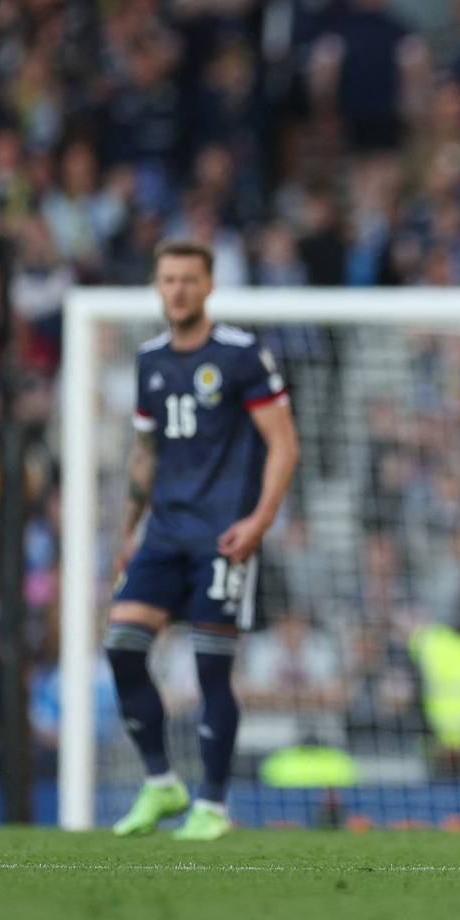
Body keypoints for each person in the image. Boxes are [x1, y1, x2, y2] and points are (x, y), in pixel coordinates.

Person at [107, 241, 299, 841]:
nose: (179, 290)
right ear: (157, 286)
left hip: (223, 535)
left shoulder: (241, 355)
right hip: (164, 532)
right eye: (168, 280)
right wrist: (128, 529)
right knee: (122, 647)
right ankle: (163, 784)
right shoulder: (150, 361)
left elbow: (284, 444)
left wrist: (260, 520)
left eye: (189, 279)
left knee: (213, 669)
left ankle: (212, 805)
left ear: (209, 285)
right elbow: (145, 452)